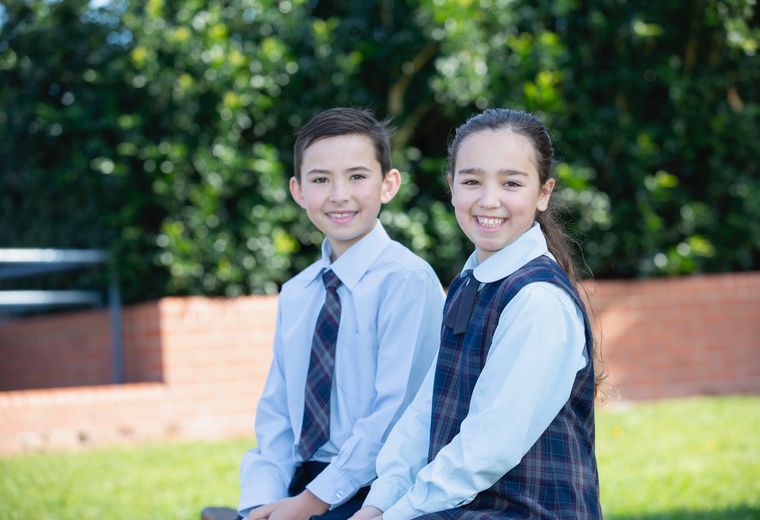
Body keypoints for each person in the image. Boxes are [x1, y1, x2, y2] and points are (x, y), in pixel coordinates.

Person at [350, 108, 602, 520]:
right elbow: (425, 411)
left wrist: (399, 513)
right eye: (471, 181)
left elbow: (489, 446)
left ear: (544, 192)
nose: (489, 200)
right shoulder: (472, 280)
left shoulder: (538, 301)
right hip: (463, 506)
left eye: (511, 183)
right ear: (451, 187)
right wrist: (378, 503)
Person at [205, 107, 445, 520]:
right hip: (304, 480)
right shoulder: (298, 292)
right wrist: (261, 503)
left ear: (388, 184)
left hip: (382, 486)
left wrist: (310, 503)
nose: (339, 194)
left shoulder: (407, 281)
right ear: (298, 191)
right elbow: (277, 412)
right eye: (321, 180)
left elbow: (393, 416)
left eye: (357, 176)